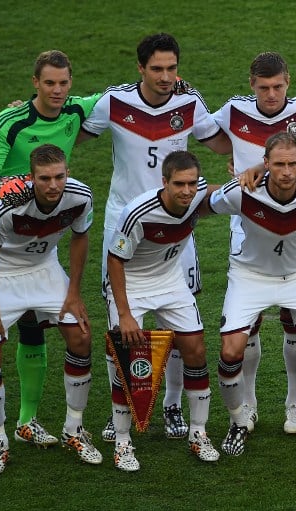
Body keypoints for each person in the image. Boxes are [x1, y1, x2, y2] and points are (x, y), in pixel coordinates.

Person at [0, 50, 100, 460]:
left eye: (64, 82)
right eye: (50, 83)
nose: (58, 90)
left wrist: (178, 88)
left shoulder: (76, 110)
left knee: (34, 327)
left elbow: (121, 96)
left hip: (40, 237)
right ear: (35, 83)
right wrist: (3, 186)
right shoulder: (9, 120)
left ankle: (27, 422)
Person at [79, 32, 232, 443]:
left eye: (172, 68)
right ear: (140, 68)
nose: (166, 77)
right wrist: (25, 116)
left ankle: (171, 404)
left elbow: (220, 143)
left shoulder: (189, 102)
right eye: (157, 69)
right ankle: (121, 409)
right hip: (125, 223)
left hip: (176, 227)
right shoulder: (113, 102)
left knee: (182, 326)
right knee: (122, 330)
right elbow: (69, 134)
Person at [209, 132, 296, 456]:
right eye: (279, 165)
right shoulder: (241, 192)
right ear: (266, 165)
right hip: (250, 276)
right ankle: (238, 421)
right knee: (230, 352)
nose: (286, 172)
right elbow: (200, 205)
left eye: (293, 164)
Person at [212, 51, 296, 435]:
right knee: (249, 324)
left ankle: (294, 405)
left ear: (288, 81)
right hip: (246, 225)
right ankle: (248, 402)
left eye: (278, 86)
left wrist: (264, 167)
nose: (272, 94)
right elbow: (197, 129)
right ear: (251, 85)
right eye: (264, 88)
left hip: (293, 223)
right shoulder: (232, 112)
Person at [0, 144, 100, 475]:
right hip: (0, 270)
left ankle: (74, 428)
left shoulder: (81, 196)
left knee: (81, 337)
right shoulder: (9, 207)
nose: (53, 185)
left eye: (59, 176)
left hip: (43, 266)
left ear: (67, 173)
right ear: (32, 178)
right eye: (44, 178)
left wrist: (73, 293)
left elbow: (80, 238)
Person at [106, 150, 220, 471]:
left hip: (170, 281)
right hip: (133, 284)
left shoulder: (197, 198)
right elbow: (115, 261)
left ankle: (198, 433)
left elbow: (222, 193)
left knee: (196, 350)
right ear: (164, 182)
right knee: (126, 359)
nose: (187, 191)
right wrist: (126, 314)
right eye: (179, 184)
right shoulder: (137, 213)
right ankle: (123, 441)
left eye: (192, 184)